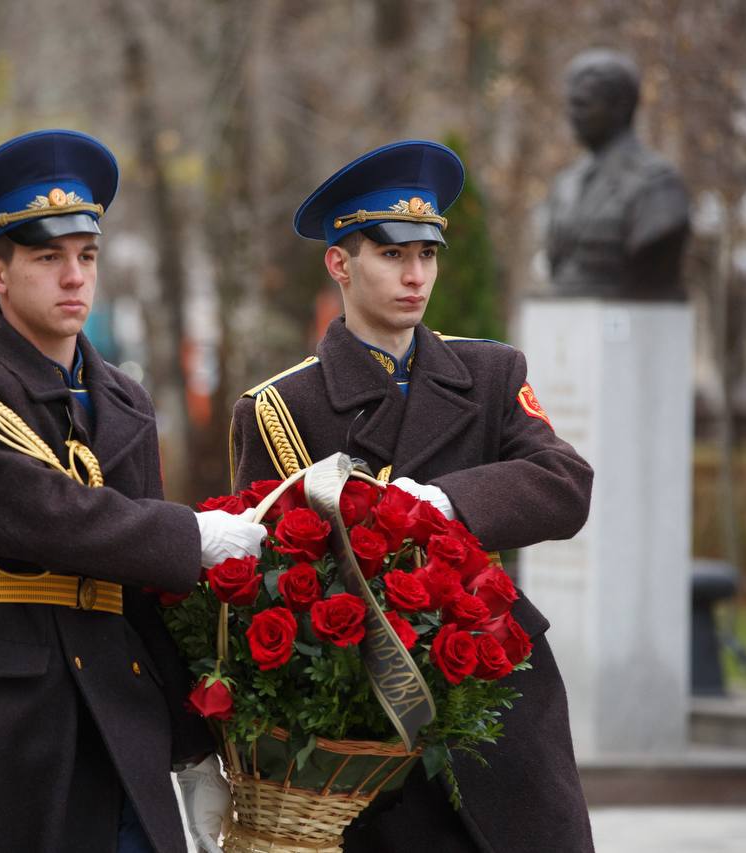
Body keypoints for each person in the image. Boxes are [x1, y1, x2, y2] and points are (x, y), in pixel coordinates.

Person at [0, 129, 261, 853]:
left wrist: (192, 749)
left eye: (86, 256)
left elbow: (149, 599)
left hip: (121, 719)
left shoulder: (122, 398)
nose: (74, 277)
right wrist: (188, 536)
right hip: (10, 716)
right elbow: (42, 516)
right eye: (47, 257)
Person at [228, 140, 596, 852]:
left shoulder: (489, 374)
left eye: (427, 255)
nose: (416, 275)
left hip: (498, 690)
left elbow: (564, 484)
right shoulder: (280, 407)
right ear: (340, 262)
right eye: (392, 255)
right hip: (366, 730)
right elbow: (261, 583)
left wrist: (449, 502)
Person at [545, 48, 690, 301]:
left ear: (620, 106)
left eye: (583, 104)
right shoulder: (566, 183)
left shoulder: (658, 183)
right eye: (570, 104)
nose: (572, 115)